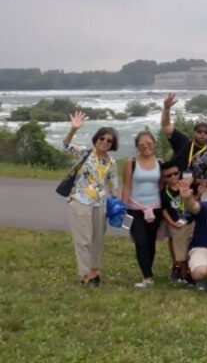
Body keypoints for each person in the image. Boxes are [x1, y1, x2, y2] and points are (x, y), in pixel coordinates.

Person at [62, 111, 119, 287]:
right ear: (96, 138)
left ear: (112, 144)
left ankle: (94, 272)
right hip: (80, 201)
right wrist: (73, 129)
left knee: (97, 240)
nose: (104, 142)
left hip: (100, 204)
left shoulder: (111, 162)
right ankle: (85, 275)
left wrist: (116, 203)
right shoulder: (84, 153)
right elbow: (65, 145)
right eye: (102, 138)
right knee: (83, 239)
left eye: (109, 140)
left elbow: (113, 184)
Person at [122, 131, 162, 288]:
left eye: (149, 142)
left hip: (155, 208)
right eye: (142, 144)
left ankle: (148, 271)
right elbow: (126, 186)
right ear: (137, 146)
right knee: (140, 241)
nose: (146, 146)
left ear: (154, 143)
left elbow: (161, 186)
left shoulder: (160, 162)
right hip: (135, 208)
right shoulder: (131, 162)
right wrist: (123, 208)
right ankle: (147, 277)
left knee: (151, 242)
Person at [160, 93, 207, 192]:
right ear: (194, 133)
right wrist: (166, 109)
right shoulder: (183, 141)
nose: (202, 134)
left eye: (206, 132)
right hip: (171, 188)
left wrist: (193, 180)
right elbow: (166, 126)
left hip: (192, 194)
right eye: (199, 132)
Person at [160, 163, 194, 284]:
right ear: (164, 178)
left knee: (192, 248)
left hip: (191, 222)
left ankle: (192, 272)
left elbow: (194, 201)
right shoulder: (164, 193)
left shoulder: (186, 186)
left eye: (176, 173)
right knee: (181, 252)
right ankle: (184, 275)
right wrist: (171, 223)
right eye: (169, 176)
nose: (173, 177)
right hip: (177, 225)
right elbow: (163, 210)